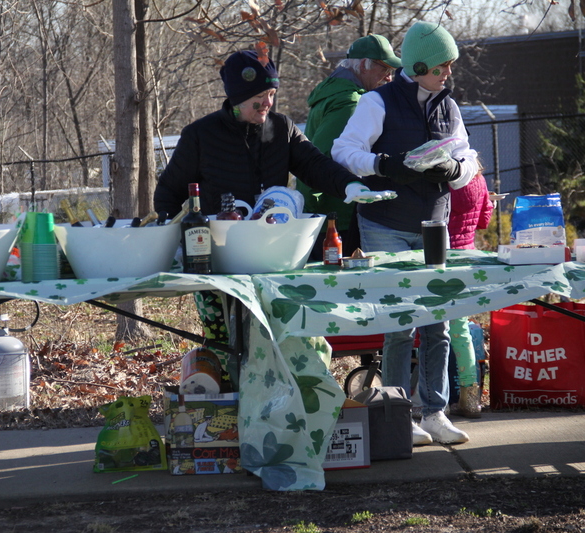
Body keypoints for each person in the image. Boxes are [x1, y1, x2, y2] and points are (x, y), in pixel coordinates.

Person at [154, 49, 395, 376]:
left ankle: (277, 401)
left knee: (276, 337)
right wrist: (176, 241)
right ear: (236, 99)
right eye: (258, 99)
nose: (267, 104)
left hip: (270, 259)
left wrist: (349, 186)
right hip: (216, 262)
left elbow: (315, 165)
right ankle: (231, 408)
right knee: (224, 341)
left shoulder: (281, 129)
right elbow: (167, 192)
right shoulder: (200, 136)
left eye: (271, 95)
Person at [332, 21, 479, 446]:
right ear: (418, 66)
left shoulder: (447, 106)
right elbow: (343, 151)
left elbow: (466, 155)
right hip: (386, 226)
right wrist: (385, 165)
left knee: (438, 323)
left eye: (449, 66)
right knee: (400, 323)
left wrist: (456, 169)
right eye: (441, 66)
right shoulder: (377, 101)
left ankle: (434, 411)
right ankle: (397, 412)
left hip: (435, 224)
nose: (447, 73)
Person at [299, 34, 401, 260]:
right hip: (338, 214)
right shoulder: (350, 102)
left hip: (324, 211)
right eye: (385, 68)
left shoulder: (333, 93)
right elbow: (327, 158)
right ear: (364, 65)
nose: (389, 77)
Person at [447, 165, 493, 418]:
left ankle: (436, 398)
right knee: (460, 331)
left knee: (432, 332)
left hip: (439, 258)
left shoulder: (442, 181)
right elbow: (484, 221)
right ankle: (470, 397)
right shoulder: (480, 180)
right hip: (467, 259)